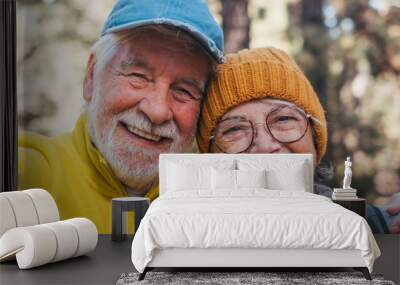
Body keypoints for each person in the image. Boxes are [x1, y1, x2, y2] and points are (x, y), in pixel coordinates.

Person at [18, 0, 224, 233]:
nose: (156, 111)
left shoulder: (212, 202)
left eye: (184, 91)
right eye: (138, 76)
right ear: (91, 77)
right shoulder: (31, 174)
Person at [196, 47, 400, 234]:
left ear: (315, 134)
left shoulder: (376, 228)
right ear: (210, 154)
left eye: (284, 119)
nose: (266, 146)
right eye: (235, 129)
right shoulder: (189, 239)